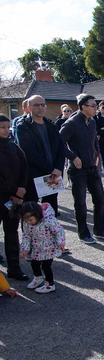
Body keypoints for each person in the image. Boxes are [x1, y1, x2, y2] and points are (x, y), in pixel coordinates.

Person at [59, 94, 104, 244]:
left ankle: (99, 230)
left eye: (96, 105)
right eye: (93, 106)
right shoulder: (71, 123)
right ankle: (83, 233)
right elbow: (58, 143)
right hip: (77, 170)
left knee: (100, 199)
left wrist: (96, 154)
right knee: (80, 203)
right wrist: (73, 157)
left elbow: (95, 140)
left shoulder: (93, 122)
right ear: (83, 106)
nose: (96, 108)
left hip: (92, 167)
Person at [14, 95, 66, 216]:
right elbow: (29, 153)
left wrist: (58, 168)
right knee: (31, 213)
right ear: (28, 107)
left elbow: (60, 149)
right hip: (33, 175)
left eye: (43, 105)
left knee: (50, 212)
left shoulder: (51, 125)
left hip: (53, 175)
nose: (40, 107)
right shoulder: (23, 126)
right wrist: (51, 169)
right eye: (36, 105)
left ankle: (50, 235)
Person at [0, 114, 29, 280]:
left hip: (15, 199)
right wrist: (13, 191)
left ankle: (14, 268)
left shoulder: (13, 146)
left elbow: (24, 168)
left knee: (12, 233)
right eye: (2, 127)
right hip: (3, 197)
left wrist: (22, 188)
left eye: (7, 127)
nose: (5, 130)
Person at [20, 201, 65, 294]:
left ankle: (50, 285)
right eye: (26, 220)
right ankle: (38, 278)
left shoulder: (49, 221)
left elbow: (58, 231)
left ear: (38, 215)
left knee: (46, 266)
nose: (29, 222)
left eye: (31, 220)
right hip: (36, 248)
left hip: (49, 248)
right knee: (34, 263)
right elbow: (26, 235)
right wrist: (25, 248)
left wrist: (61, 242)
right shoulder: (27, 223)